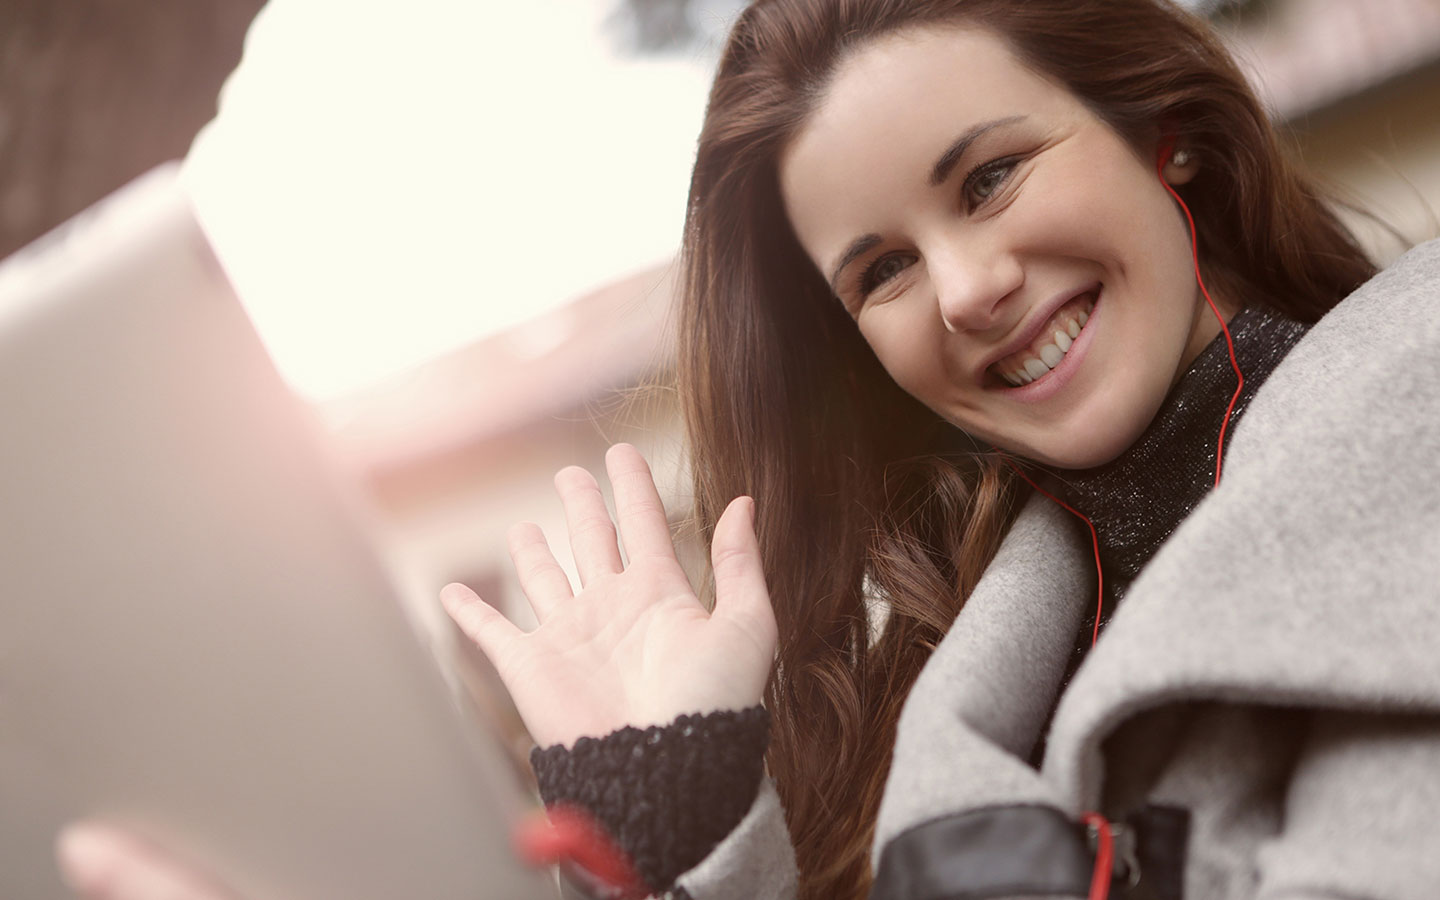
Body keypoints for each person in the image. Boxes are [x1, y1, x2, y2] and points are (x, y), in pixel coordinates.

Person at [57, 1, 1440, 898]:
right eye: (882, 269)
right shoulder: (933, 690)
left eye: (990, 176)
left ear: (1167, 136)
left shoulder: (1410, 428)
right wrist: (668, 800)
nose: (965, 289)